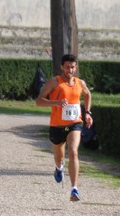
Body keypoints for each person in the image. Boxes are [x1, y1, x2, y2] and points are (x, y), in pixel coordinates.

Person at [35, 53, 93, 201]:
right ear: (62, 67)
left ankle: (74, 189)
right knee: (59, 157)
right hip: (57, 125)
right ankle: (59, 167)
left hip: (75, 123)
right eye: (67, 67)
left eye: (73, 67)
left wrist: (87, 112)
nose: (70, 70)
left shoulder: (80, 83)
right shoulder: (54, 82)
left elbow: (87, 95)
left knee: (73, 151)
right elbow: (39, 101)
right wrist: (55, 103)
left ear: (76, 67)